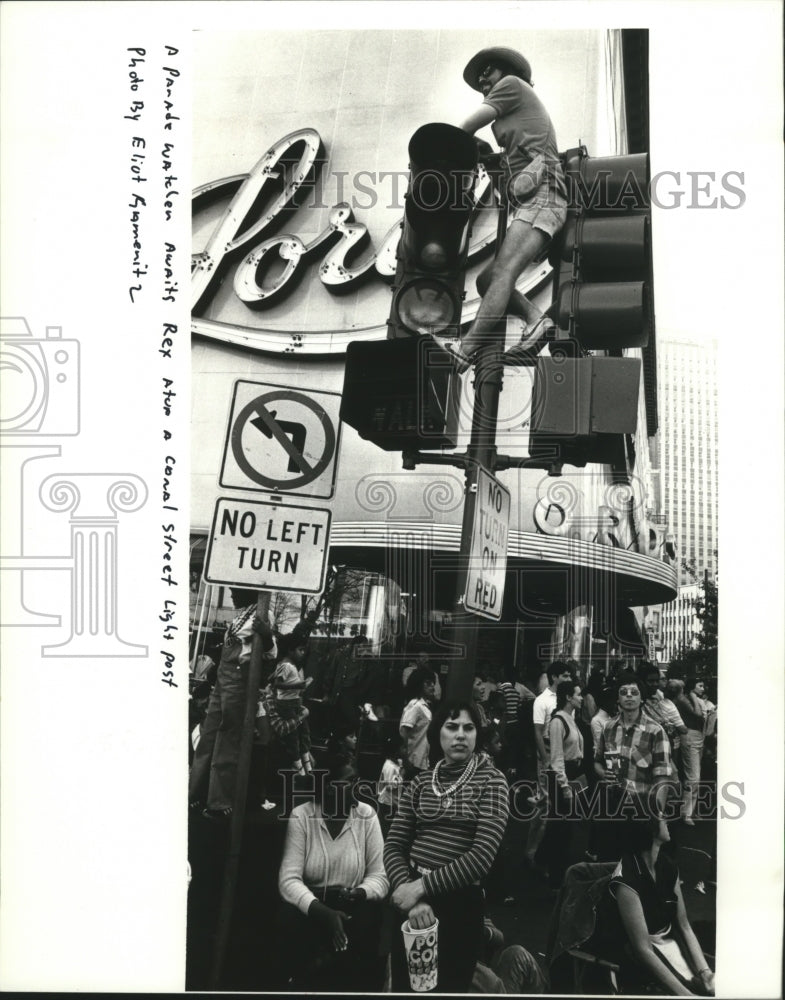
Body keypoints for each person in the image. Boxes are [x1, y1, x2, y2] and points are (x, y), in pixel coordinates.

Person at [450, 47, 567, 372]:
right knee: (488, 281)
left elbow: (465, 129)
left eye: (488, 71)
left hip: (543, 197)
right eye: (480, 76)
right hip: (537, 200)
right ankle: (536, 321)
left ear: (505, 70)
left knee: (502, 273)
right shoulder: (514, 111)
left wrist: (446, 150)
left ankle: (466, 348)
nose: (483, 79)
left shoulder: (512, 85)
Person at [384, 701, 510, 993]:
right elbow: (393, 846)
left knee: (447, 989)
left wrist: (419, 888)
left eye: (469, 728)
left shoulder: (493, 782)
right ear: (437, 733)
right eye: (451, 727)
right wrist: (412, 896)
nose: (461, 735)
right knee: (408, 987)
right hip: (413, 906)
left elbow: (480, 858)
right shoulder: (420, 783)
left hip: (459, 905)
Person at [277, 745, 390, 992]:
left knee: (366, 922)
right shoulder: (302, 816)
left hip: (352, 906)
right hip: (314, 906)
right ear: (329, 787)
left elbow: (380, 876)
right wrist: (325, 914)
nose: (358, 786)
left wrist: (359, 893)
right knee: (288, 920)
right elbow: (288, 881)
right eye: (351, 781)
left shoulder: (366, 816)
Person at [599, 803, 715, 995]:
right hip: (641, 954)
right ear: (648, 827)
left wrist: (706, 973)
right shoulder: (626, 880)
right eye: (661, 816)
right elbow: (642, 950)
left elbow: (684, 925)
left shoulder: (667, 865)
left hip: (670, 941)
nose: (667, 820)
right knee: (690, 989)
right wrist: (685, 995)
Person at [188, 589, 277, 819]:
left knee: (227, 739)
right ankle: (193, 793)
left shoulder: (263, 613)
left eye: (236, 589)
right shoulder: (241, 616)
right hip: (222, 677)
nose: (231, 594)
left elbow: (270, 652)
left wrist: (266, 636)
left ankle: (218, 801)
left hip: (238, 680)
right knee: (208, 737)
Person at [593, 674, 675, 859]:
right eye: (624, 692)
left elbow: (662, 777)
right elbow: (597, 761)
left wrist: (658, 814)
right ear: (618, 698)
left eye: (634, 692)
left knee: (637, 866)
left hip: (641, 809)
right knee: (610, 860)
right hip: (611, 807)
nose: (629, 696)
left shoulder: (656, 731)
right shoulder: (609, 727)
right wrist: (603, 774)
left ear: (642, 698)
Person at [524, 661, 573, 872]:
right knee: (545, 805)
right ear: (554, 677)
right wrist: (545, 760)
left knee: (553, 805)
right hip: (547, 753)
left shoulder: (566, 700)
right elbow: (537, 731)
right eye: (564, 675)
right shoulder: (542, 701)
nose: (568, 679)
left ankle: (545, 854)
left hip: (561, 756)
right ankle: (532, 854)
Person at [543, 680, 588, 888]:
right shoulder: (558, 722)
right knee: (560, 828)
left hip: (574, 775)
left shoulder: (572, 718)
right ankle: (555, 874)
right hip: (562, 778)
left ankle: (550, 865)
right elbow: (557, 758)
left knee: (564, 827)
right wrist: (565, 787)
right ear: (568, 697)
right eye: (578, 695)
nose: (581, 698)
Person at [272, 631, 314, 776]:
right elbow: (277, 684)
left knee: (304, 732)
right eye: (300, 650)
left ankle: (305, 761)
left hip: (294, 703)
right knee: (293, 736)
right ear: (290, 650)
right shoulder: (286, 665)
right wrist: (298, 686)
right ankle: (298, 764)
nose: (302, 653)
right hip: (286, 705)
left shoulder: (293, 666)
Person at [673, 678, 705, 826]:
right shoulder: (685, 700)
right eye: (700, 685)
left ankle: (691, 810)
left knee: (695, 775)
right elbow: (698, 715)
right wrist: (692, 695)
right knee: (693, 776)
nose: (703, 689)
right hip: (691, 736)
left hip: (699, 736)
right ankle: (686, 813)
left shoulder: (698, 699)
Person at [399, 667, 437, 777]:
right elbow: (403, 734)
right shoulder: (415, 706)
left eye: (433, 683)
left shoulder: (425, 706)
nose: (432, 686)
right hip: (412, 763)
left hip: (422, 762)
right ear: (419, 684)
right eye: (428, 683)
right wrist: (406, 761)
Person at [377, 735, 405, 835]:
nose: (404, 750)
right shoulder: (389, 766)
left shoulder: (396, 763)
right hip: (388, 803)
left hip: (392, 802)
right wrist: (401, 774)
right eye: (403, 747)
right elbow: (389, 787)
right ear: (396, 749)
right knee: (385, 828)